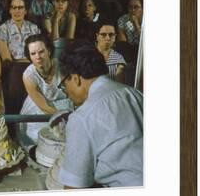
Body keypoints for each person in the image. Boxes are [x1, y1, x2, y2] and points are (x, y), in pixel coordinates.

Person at [56, 41, 143, 188]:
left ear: (75, 79)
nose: (66, 93)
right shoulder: (134, 94)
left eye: (64, 85)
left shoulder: (82, 117)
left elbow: (73, 187)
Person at [17, 34, 73, 148]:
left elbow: (71, 93)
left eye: (41, 52)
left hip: (63, 103)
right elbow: (43, 106)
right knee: (42, 140)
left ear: (49, 51)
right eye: (33, 54)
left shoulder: (62, 67)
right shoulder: (28, 76)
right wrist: (61, 118)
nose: (38, 57)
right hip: (39, 108)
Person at [0, 0, 41, 114]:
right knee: (16, 73)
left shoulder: (33, 28)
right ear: (9, 10)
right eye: (13, 7)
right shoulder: (3, 29)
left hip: (33, 66)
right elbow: (6, 58)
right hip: (12, 68)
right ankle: (14, 120)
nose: (17, 11)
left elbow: (38, 52)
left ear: (26, 10)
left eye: (20, 7)